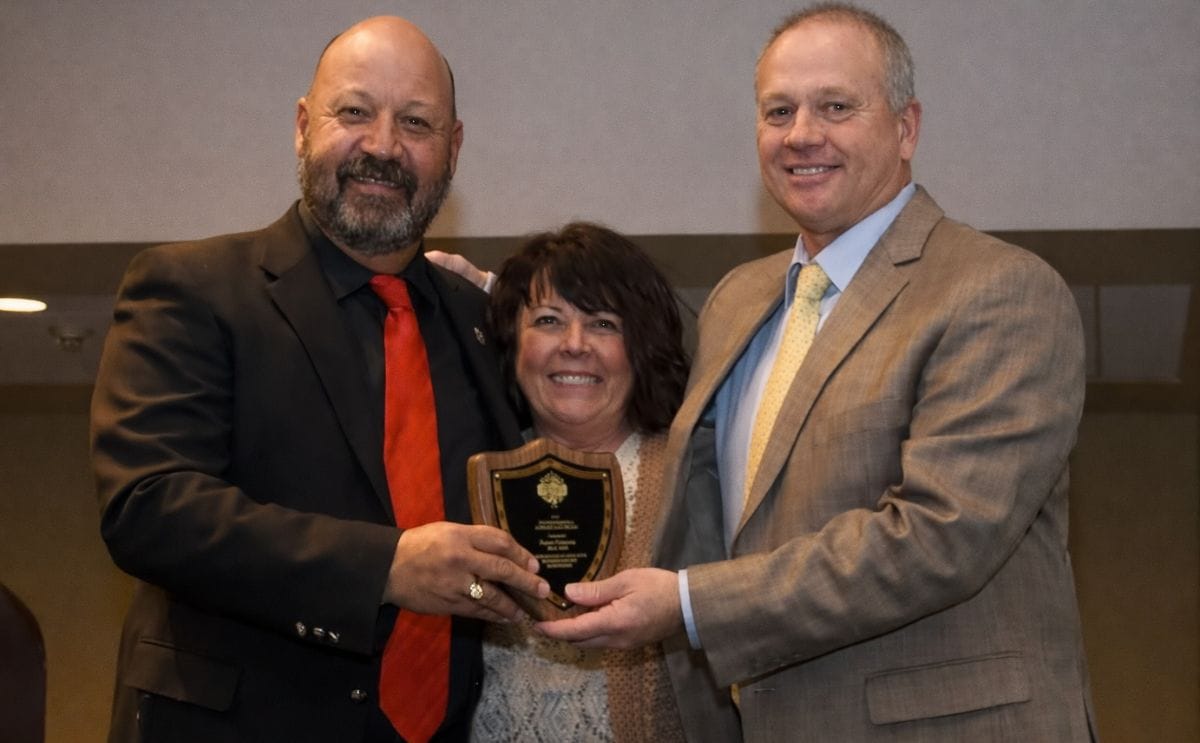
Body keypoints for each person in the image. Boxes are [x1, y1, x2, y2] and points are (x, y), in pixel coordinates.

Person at [538, 4, 1097, 741]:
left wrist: (690, 603)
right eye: (779, 110)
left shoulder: (998, 290)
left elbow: (937, 538)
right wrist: (465, 305)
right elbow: (664, 450)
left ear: (906, 128)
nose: (802, 134)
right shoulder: (740, 298)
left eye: (836, 105)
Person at [90, 16, 548, 743]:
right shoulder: (192, 287)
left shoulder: (477, 322)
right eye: (355, 112)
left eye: (417, 122)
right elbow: (150, 507)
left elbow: (637, 386)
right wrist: (385, 566)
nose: (383, 146)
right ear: (304, 125)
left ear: (453, 150)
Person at [434, 224, 690, 741]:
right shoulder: (470, 474)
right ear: (512, 343)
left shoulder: (697, 475)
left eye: (602, 324)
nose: (574, 346)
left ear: (642, 346)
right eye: (548, 320)